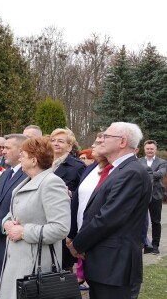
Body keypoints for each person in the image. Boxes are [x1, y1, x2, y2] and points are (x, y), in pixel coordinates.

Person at [68, 122, 152, 299]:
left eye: (106, 136)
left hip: (114, 265)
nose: (100, 140)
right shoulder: (117, 170)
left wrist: (77, 244)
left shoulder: (131, 172)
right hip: (104, 263)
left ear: (122, 142)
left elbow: (107, 218)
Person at [0, 137, 71, 299]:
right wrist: (7, 223)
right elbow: (13, 214)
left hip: (35, 265)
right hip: (17, 261)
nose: (19, 158)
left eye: (22, 154)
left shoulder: (52, 183)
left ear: (33, 160)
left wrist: (23, 232)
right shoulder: (25, 182)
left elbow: (60, 228)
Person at [0, 133, 28, 283]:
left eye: (7, 148)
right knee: (1, 282)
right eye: (2, 148)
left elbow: (20, 208)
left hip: (12, 240)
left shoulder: (28, 175)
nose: (3, 151)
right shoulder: (6, 173)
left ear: (21, 150)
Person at [68, 133, 108, 291]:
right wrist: (71, 236)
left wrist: (79, 243)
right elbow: (77, 202)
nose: (93, 146)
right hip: (81, 236)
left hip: (100, 242)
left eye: (98, 142)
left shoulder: (118, 172)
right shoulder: (90, 168)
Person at [49, 128, 85, 270]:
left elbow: (83, 193)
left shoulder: (77, 166)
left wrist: (71, 193)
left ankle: (63, 290)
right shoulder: (43, 163)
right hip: (43, 218)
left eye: (61, 141)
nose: (56, 143)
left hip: (63, 219)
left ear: (70, 146)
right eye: (53, 140)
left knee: (62, 265)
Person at [139, 140, 167, 255]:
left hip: (156, 195)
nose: (149, 151)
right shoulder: (138, 161)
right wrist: (151, 174)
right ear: (144, 149)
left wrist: (144, 174)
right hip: (141, 195)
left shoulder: (162, 162)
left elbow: (160, 174)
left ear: (155, 150)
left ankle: (155, 246)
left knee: (156, 221)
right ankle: (144, 243)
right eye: (148, 149)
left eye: (152, 149)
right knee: (140, 220)